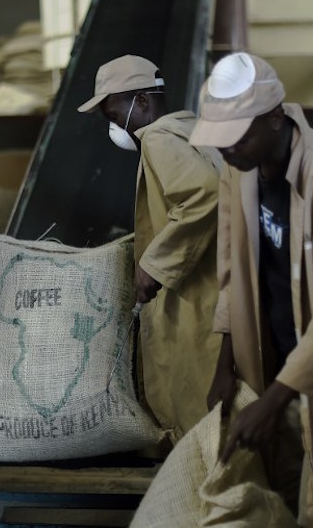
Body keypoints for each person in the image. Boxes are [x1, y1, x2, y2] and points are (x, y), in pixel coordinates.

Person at [191, 52, 313, 526]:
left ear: (275, 118)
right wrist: (227, 364)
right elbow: (233, 271)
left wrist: (274, 400)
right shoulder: (238, 171)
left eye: (235, 136)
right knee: (284, 492)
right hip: (273, 371)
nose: (225, 150)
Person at [77, 55, 222, 442]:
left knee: (191, 412)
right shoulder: (194, 130)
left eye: (113, 113)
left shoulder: (158, 138)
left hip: (191, 299)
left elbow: (204, 194)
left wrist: (155, 265)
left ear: (142, 101)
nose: (113, 126)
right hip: (212, 293)